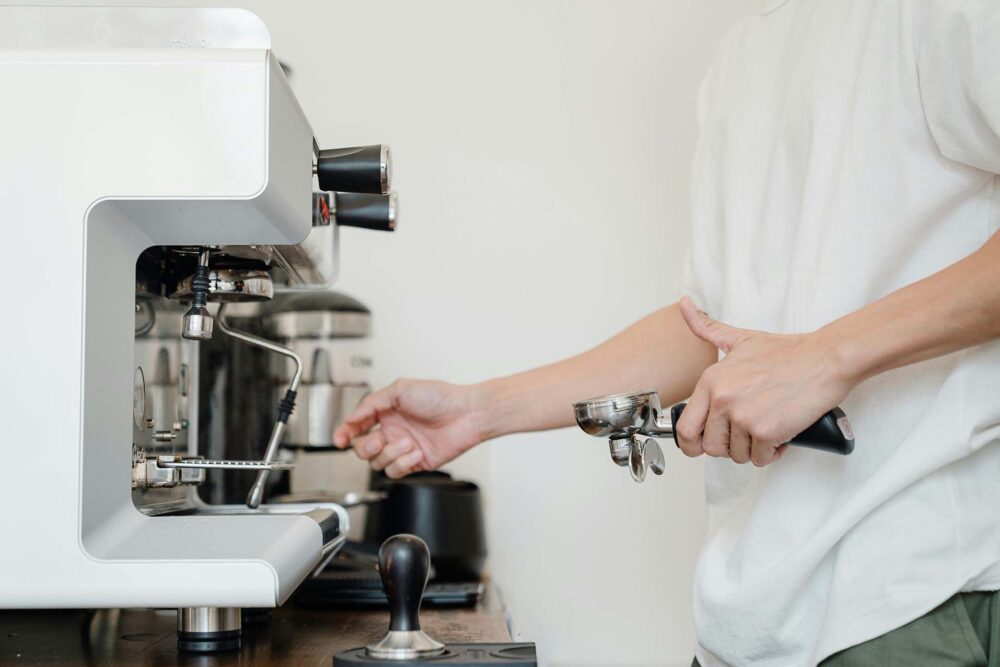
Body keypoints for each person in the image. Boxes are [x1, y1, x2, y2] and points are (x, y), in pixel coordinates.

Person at [334, 1, 1000, 664]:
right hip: (751, 622)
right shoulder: (743, 53)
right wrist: (478, 411)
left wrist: (828, 358)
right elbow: (710, 327)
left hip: (913, 596)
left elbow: (797, 354)